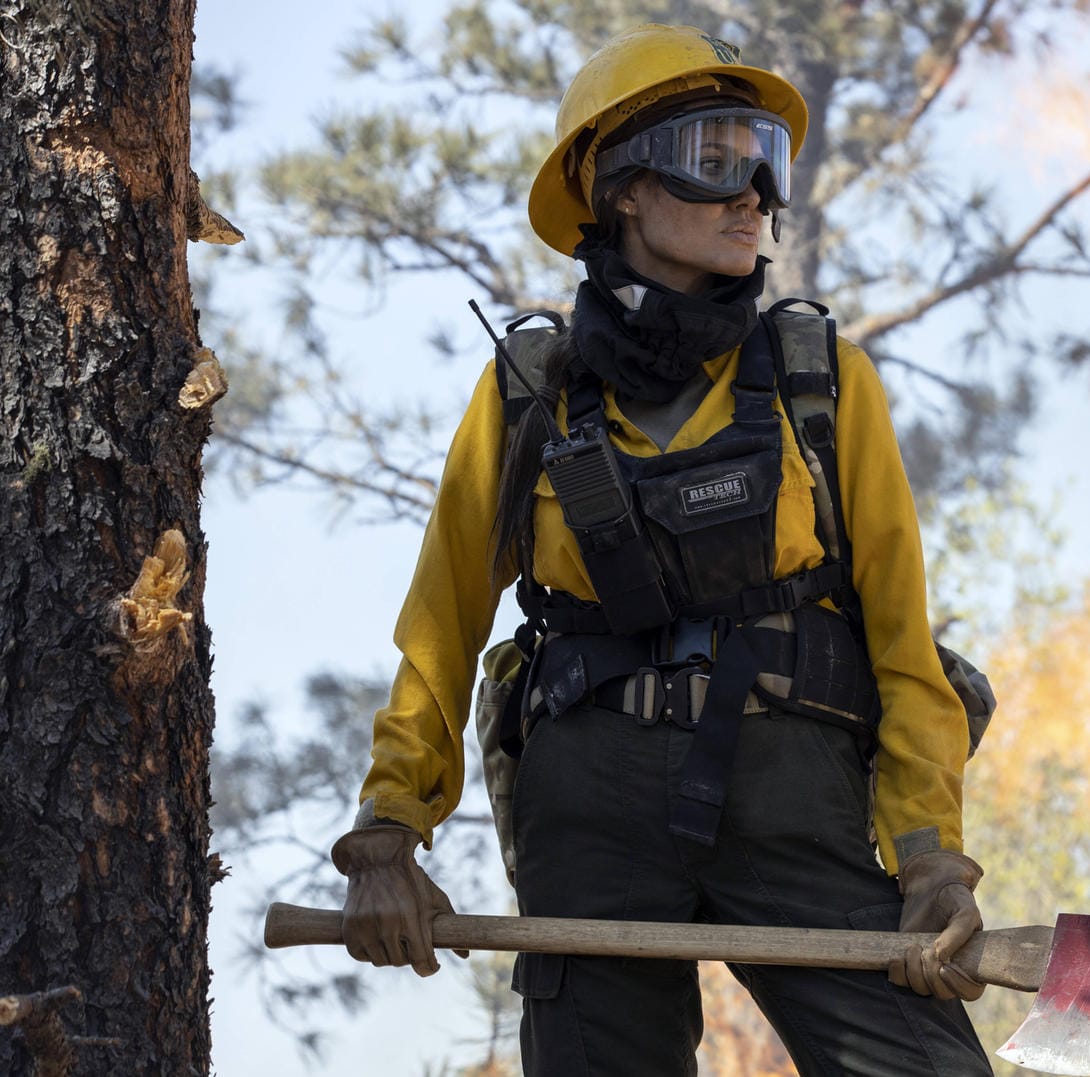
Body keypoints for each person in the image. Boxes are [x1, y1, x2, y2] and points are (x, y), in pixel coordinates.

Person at [327, 24, 994, 1076]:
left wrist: (932, 862)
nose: (754, 197)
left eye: (766, 163)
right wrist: (383, 837)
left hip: (795, 795)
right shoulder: (527, 393)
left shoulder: (826, 384)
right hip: (588, 813)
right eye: (715, 158)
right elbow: (443, 627)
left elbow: (906, 646)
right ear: (621, 187)